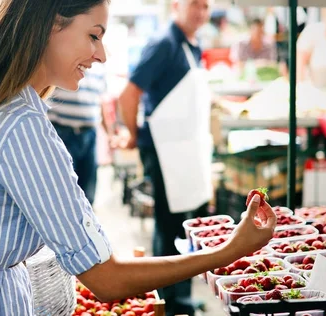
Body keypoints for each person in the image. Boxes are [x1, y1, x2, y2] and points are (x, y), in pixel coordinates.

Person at [0, 1, 276, 315]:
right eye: (93, 36)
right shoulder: (20, 127)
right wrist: (227, 252)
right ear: (49, 26)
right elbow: (106, 280)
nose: (102, 54)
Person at [117, 0, 217, 315]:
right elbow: (129, 93)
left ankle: (180, 298)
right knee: (168, 227)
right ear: (176, 5)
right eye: (194, 4)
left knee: (186, 227)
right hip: (164, 152)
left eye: (205, 5)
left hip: (185, 152)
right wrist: (132, 134)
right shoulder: (164, 43)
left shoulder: (192, 44)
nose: (200, 11)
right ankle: (167, 303)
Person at [46, 65, 109, 206]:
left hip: (89, 133)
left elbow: (102, 102)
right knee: (64, 189)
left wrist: (109, 133)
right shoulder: (67, 64)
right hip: (63, 132)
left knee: (88, 188)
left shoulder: (100, 70)